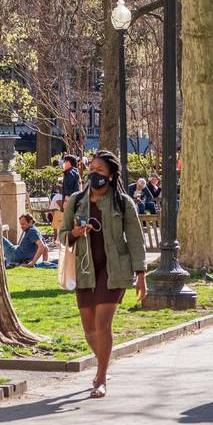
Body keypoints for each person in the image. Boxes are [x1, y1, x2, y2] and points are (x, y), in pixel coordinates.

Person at [59, 150, 146, 399]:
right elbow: (62, 235)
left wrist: (141, 274)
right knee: (88, 329)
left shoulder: (123, 203)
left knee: (102, 324)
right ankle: (104, 362)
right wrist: (74, 233)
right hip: (85, 271)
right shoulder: (76, 201)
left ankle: (100, 378)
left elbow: (136, 240)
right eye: (91, 170)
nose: (93, 174)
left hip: (113, 271)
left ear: (110, 176)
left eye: (99, 171)